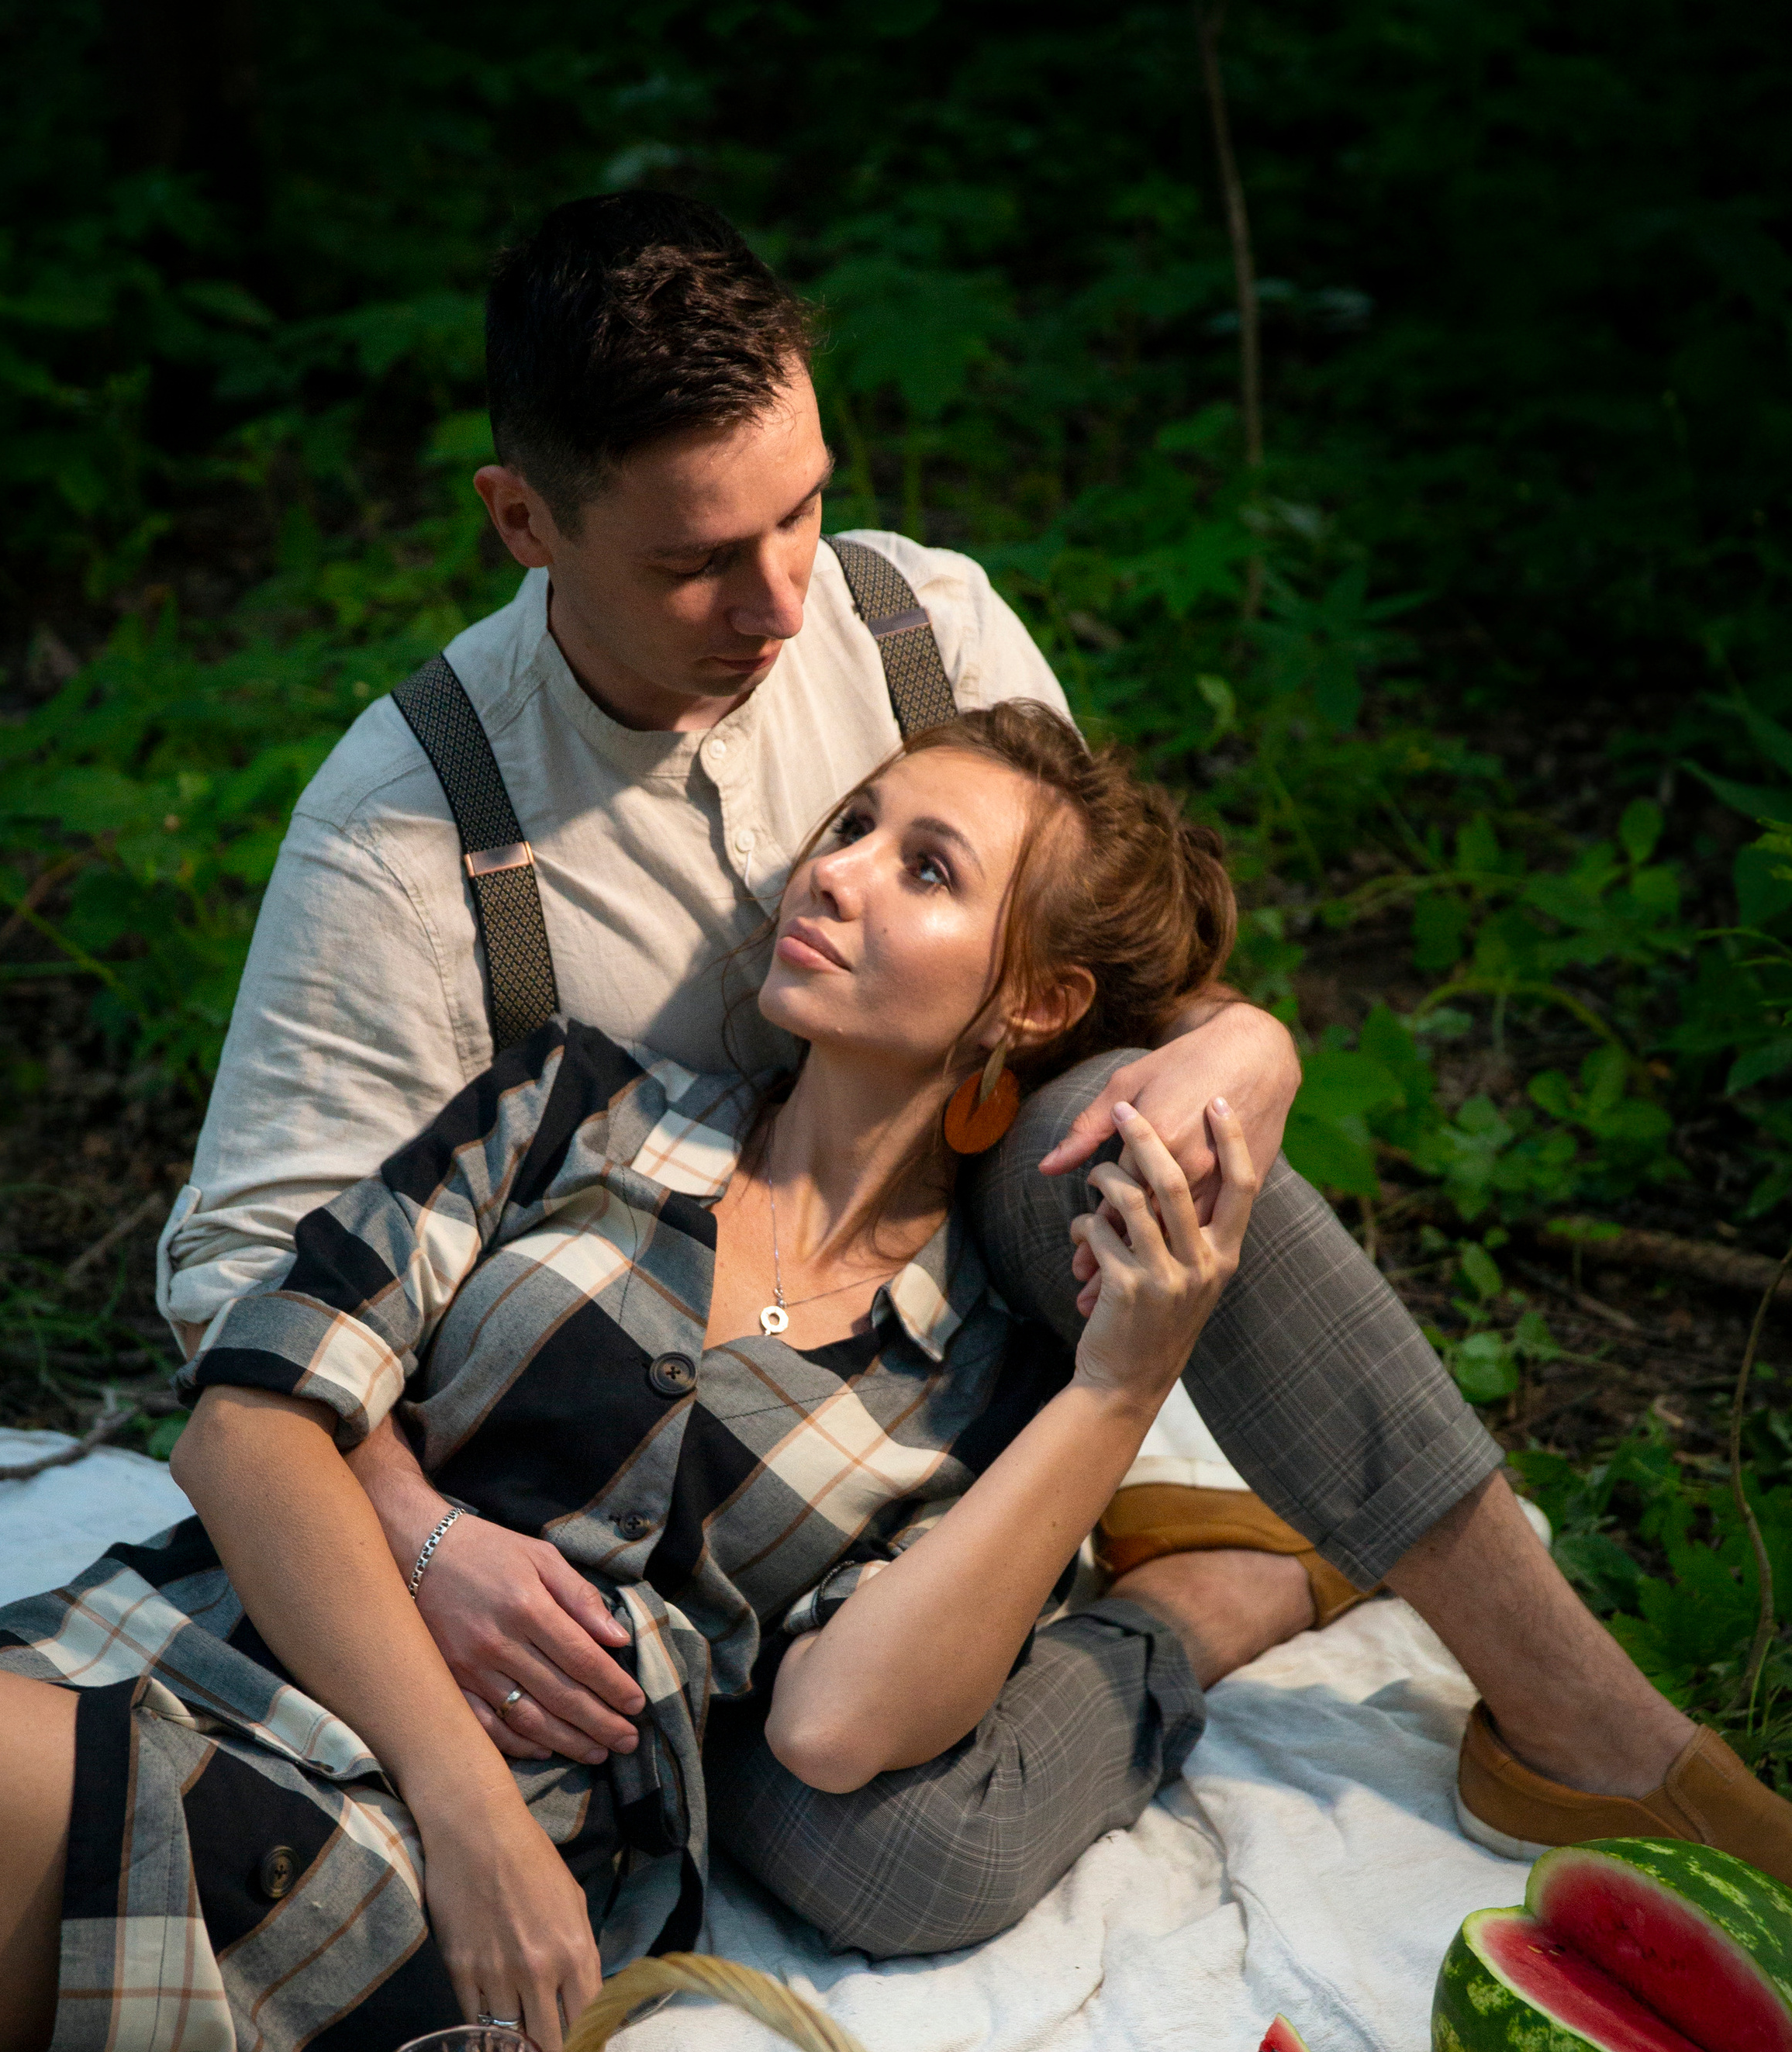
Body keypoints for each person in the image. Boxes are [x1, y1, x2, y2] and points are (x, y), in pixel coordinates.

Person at [155, 189, 1792, 1884]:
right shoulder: (408, 826)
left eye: (802, 509)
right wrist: (423, 1539)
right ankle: (1207, 1594)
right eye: (694, 562)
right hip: (651, 1474)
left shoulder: (913, 626)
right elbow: (243, 1274)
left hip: (964, 1327)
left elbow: (1088, 964)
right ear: (522, 520)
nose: (777, 600)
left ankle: (1592, 1727)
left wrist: (1244, 1038)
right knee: (871, 1849)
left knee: (1141, 1127)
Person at [0, 704, 1264, 2052]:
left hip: (368, 1877)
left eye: (923, 868)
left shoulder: (976, 1381)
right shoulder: (572, 1106)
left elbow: (839, 1722)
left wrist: (1118, 1389)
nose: (837, 870)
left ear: (1032, 1003)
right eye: (852, 823)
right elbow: (246, 1422)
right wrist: (441, 1640)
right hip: (179, 1665)